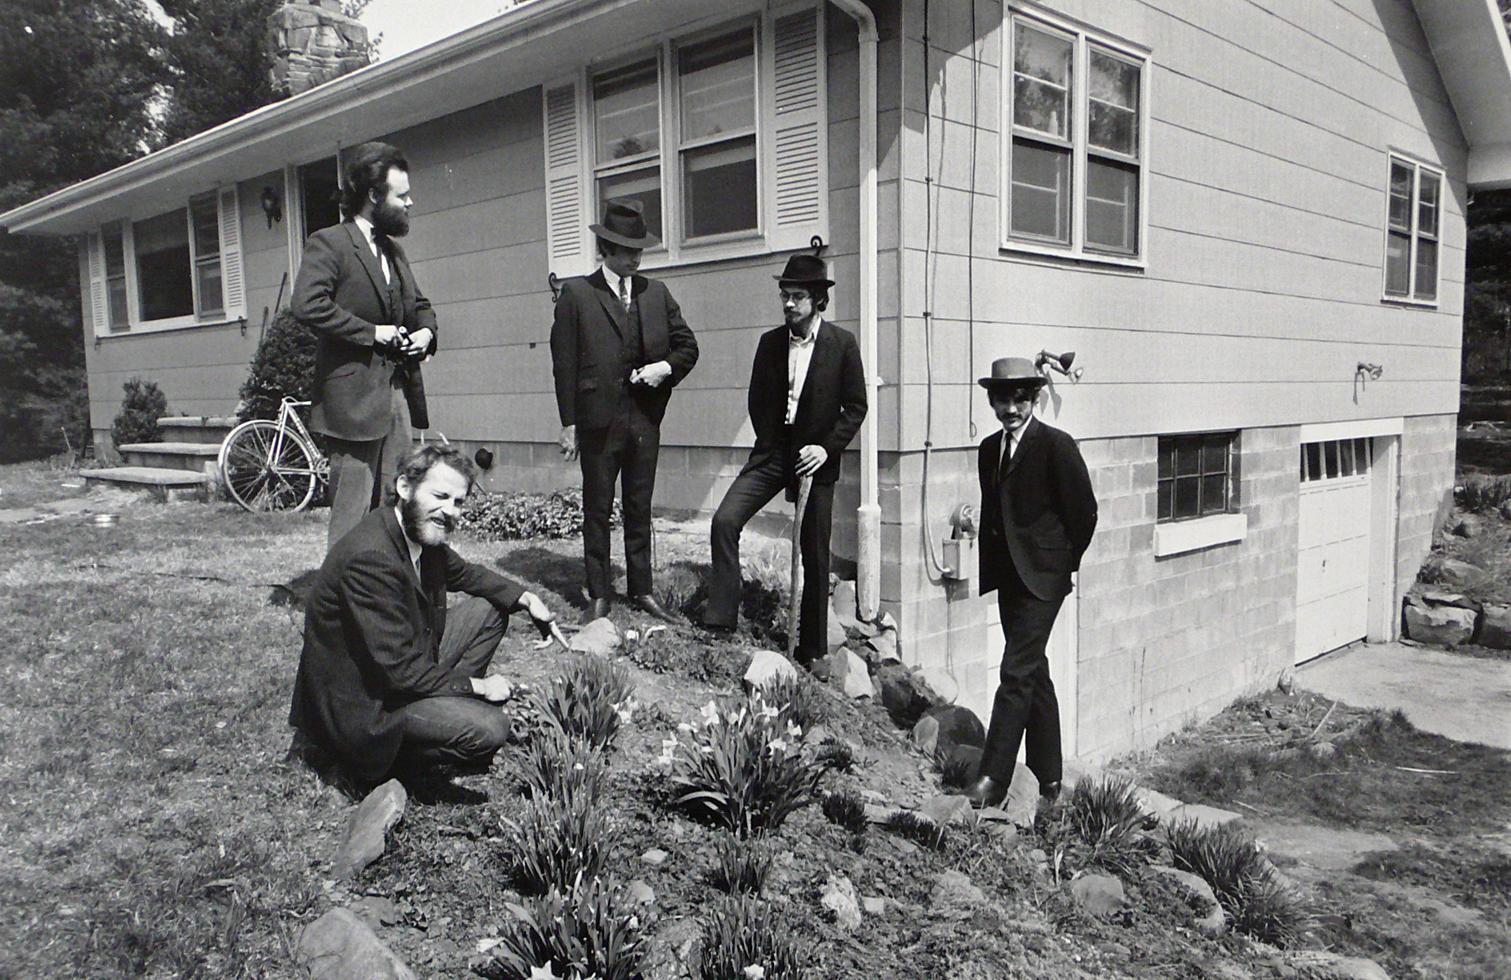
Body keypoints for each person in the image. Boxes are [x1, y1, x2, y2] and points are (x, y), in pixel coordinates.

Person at [288, 443, 556, 788]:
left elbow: (467, 574)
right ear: (404, 487)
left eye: (458, 502)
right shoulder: (371, 557)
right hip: (366, 708)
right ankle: (388, 761)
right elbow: (399, 671)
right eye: (441, 495)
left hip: (398, 672)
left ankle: (444, 713)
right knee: (491, 729)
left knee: (489, 608)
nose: (450, 511)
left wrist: (527, 598)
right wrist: (479, 687)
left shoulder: (414, 532)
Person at [701, 254, 867, 664]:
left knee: (814, 554)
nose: (788, 304)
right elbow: (757, 401)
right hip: (774, 453)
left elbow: (856, 407)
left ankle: (813, 650)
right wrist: (773, 443)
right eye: (784, 295)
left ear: (817, 301)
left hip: (816, 459)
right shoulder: (770, 343)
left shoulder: (842, 345)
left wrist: (825, 447)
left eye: (797, 297)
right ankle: (722, 618)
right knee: (724, 520)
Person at [550, 200, 699, 623]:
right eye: (628, 249)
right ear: (606, 249)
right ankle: (598, 593)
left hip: (644, 422)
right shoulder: (577, 294)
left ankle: (642, 591)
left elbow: (688, 347)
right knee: (597, 508)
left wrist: (663, 369)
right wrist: (569, 423)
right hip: (597, 422)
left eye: (640, 249)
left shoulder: (656, 293)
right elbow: (564, 363)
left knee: (640, 505)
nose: (637, 257)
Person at [963, 357, 1097, 810]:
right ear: (993, 402)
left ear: (1034, 398)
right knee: (1035, 671)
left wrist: (1062, 567)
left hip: (1045, 579)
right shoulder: (988, 449)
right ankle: (1049, 778)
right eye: (1003, 399)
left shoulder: (1056, 445)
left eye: (1020, 398)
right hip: (1009, 577)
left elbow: (1085, 513)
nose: (1011, 409)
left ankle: (992, 777)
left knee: (1015, 672)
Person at [292, 141, 437, 549]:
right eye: (402, 195)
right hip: (352, 404)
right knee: (352, 512)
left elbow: (420, 305)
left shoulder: (394, 251)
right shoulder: (330, 243)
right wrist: (373, 334)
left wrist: (425, 333)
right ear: (374, 196)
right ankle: (338, 601)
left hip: (395, 399)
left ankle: (380, 590)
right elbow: (306, 304)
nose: (411, 202)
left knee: (396, 504)